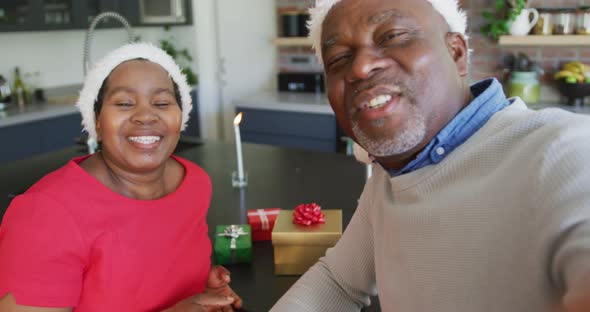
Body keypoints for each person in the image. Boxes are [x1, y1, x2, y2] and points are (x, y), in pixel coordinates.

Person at [271, 0, 590, 311]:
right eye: (339, 57)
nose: (360, 67)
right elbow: (338, 282)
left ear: (457, 53)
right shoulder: (390, 177)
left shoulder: (561, 148)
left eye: (392, 36)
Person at [0, 43, 242, 312]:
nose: (146, 115)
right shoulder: (44, 216)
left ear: (181, 116)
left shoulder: (194, 182)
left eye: (162, 102)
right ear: (97, 121)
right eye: (125, 103)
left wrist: (200, 289)